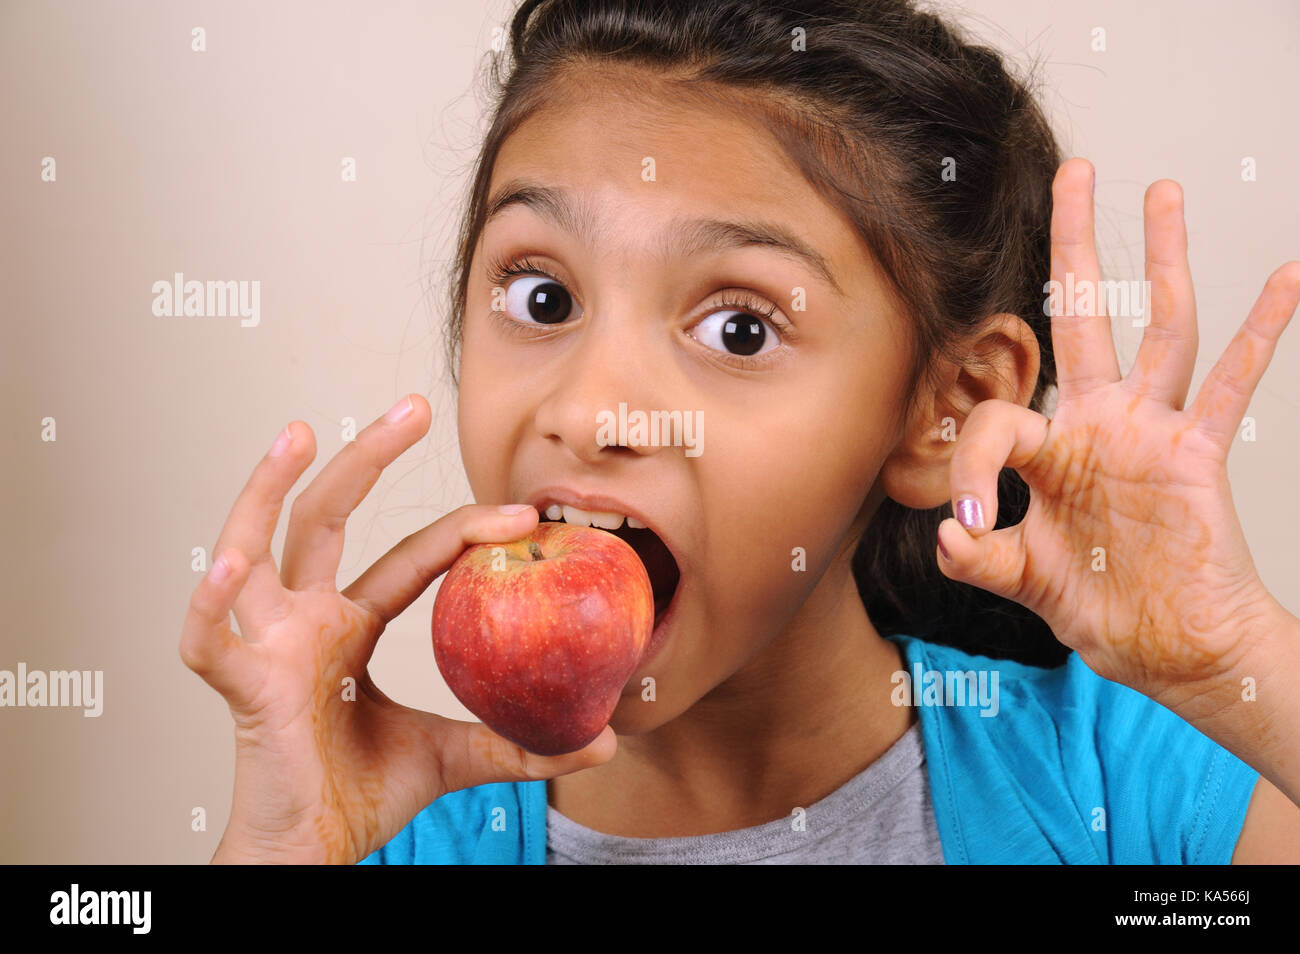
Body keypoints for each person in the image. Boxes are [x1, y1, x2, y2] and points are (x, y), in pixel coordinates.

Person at [180, 0, 1300, 864]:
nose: (588, 408)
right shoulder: (385, 843)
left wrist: (1239, 656)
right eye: (542, 299)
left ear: (944, 409)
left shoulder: (1122, 796)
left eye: (739, 326)